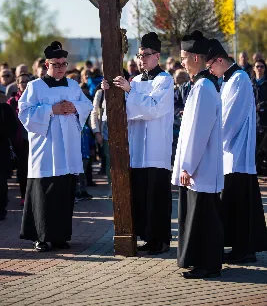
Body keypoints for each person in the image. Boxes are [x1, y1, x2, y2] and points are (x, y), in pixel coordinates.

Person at [102, 32, 174, 255]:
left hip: (155, 148)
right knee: (141, 195)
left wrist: (129, 92)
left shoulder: (165, 80)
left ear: (157, 57)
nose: (142, 59)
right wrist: (110, 92)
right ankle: (146, 237)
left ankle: (160, 240)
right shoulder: (134, 81)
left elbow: (153, 108)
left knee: (157, 197)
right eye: (140, 55)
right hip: (137, 149)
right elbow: (125, 109)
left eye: (146, 55)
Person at [18, 41, 93, 252]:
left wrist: (74, 106)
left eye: (63, 64)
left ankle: (60, 236)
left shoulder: (73, 85)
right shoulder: (34, 86)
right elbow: (23, 112)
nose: (60, 68)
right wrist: (52, 109)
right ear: (46, 64)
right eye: (56, 64)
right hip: (45, 150)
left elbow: (87, 105)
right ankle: (41, 237)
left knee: (64, 194)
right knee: (43, 195)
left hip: (67, 150)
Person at [206, 39, 267, 263]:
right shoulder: (228, 79)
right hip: (230, 153)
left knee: (239, 206)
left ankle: (244, 250)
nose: (210, 70)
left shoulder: (239, 79)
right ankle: (241, 248)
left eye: (211, 65)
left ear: (220, 60)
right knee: (235, 206)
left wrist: (211, 141)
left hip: (236, 154)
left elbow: (228, 120)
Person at [172, 30, 224, 279]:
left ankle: (208, 264)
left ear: (195, 58)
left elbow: (199, 131)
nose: (181, 62)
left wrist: (187, 166)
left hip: (201, 166)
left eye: (183, 57)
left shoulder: (203, 87)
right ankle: (203, 262)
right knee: (201, 215)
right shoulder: (201, 85)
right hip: (200, 166)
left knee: (204, 217)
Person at [7, 73, 31, 206]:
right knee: (23, 170)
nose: (25, 84)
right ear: (17, 85)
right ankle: (24, 196)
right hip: (19, 141)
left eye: (27, 81)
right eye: (22, 82)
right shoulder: (12, 101)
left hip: (35, 139)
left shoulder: (35, 99)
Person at [0, 102, 18, 220]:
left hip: (2, 151)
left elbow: (13, 128)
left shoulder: (4, 108)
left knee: (1, 182)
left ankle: (1, 209)